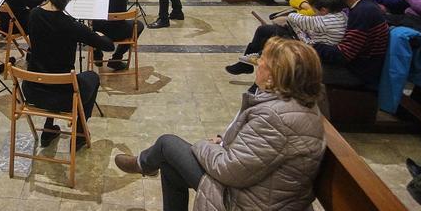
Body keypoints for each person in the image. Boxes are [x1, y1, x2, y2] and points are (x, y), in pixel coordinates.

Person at [115, 38, 325, 211]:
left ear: (274, 75)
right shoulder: (295, 104)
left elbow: (229, 169)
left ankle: (143, 164)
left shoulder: (275, 117)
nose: (257, 62)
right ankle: (145, 164)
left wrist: (203, 146)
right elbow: (260, 152)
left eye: (263, 60)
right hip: (263, 191)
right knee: (169, 162)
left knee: (167, 144)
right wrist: (224, 141)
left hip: (249, 201)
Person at [23, 0, 114, 147]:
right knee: (92, 77)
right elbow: (109, 46)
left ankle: (48, 130)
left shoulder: (34, 14)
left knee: (50, 71)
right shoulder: (72, 25)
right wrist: (97, 34)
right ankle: (79, 134)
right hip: (62, 96)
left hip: (32, 89)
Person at [226, 0, 347, 75]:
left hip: (315, 50)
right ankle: (248, 63)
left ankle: (260, 61)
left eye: (315, 10)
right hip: (312, 39)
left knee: (280, 40)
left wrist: (293, 14)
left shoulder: (328, 20)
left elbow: (298, 18)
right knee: (264, 30)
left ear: (324, 10)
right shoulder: (335, 13)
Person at [313, 0, 389, 89]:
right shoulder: (363, 5)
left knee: (297, 68)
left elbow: (344, 54)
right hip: (358, 66)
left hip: (358, 73)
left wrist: (311, 45)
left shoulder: (363, 11)